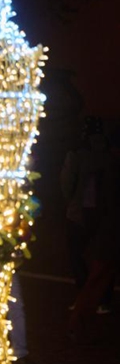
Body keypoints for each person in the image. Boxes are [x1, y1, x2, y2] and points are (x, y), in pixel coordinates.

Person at [67, 125, 120, 342]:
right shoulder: (111, 167)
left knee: (96, 279)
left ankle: (76, 325)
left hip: (109, 231)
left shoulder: (107, 167)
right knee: (97, 279)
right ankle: (77, 325)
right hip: (111, 231)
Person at [60, 116, 114, 314]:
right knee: (103, 258)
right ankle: (103, 300)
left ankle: (84, 295)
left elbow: (67, 184)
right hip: (105, 214)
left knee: (76, 255)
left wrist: (70, 201)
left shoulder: (76, 154)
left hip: (78, 213)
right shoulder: (109, 156)